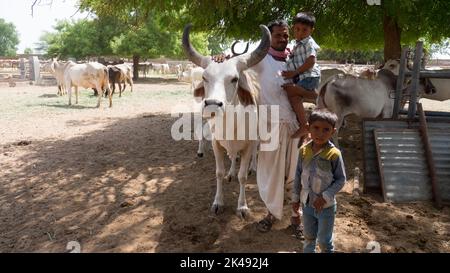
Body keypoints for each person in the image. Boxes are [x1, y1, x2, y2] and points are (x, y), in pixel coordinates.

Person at [291, 109, 346, 253]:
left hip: (326, 207)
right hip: (307, 205)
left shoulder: (334, 154)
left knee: (324, 241)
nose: (320, 134)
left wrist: (325, 196)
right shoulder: (303, 151)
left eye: (325, 130)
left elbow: (341, 179)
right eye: (316, 128)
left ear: (333, 132)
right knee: (308, 238)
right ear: (308, 128)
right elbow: (297, 175)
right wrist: (295, 198)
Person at [281, 12, 321, 139]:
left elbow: (311, 61)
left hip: (309, 76)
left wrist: (294, 72)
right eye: (297, 29)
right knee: (295, 96)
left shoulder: (308, 43)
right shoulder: (298, 44)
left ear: (311, 31)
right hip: (304, 77)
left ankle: (304, 124)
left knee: (292, 93)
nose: (300, 32)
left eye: (305, 30)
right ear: (294, 29)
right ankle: (302, 122)